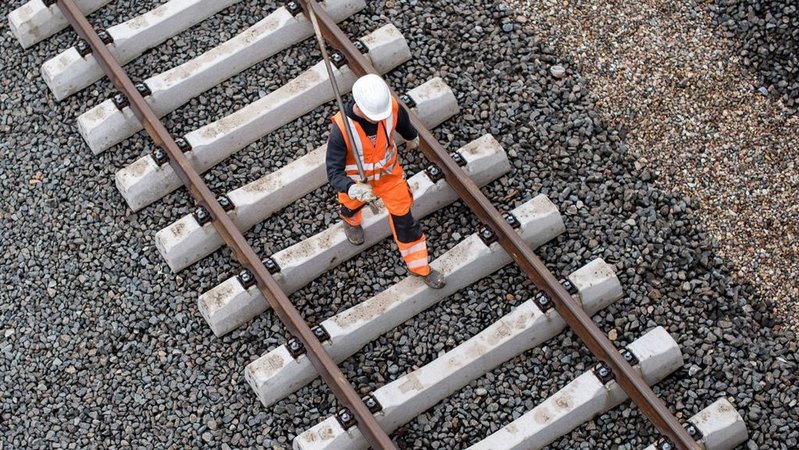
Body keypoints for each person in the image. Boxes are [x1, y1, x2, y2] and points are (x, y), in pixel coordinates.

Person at [325, 74, 445, 289]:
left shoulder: (389, 108)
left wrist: (411, 136)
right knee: (350, 206)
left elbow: (402, 121)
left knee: (406, 221)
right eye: (374, 116)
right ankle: (350, 220)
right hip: (359, 183)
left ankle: (420, 267)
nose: (379, 119)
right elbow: (333, 173)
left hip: (390, 177)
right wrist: (351, 188)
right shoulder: (342, 129)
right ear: (359, 106)